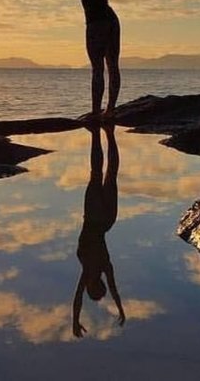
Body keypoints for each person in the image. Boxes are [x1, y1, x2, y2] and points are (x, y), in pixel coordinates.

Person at [72, 123, 125, 338]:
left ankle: (105, 135)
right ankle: (102, 134)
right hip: (98, 218)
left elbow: (111, 290)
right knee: (102, 174)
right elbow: (111, 290)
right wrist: (74, 320)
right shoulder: (91, 270)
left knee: (106, 174)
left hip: (102, 220)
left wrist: (75, 320)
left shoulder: (97, 268)